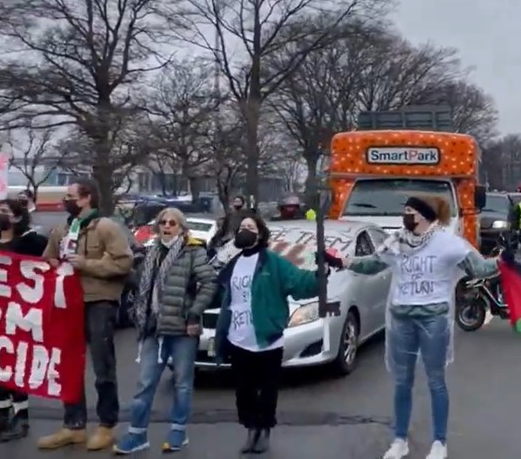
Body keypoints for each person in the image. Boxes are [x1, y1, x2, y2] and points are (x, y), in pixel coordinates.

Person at [330, 195, 499, 459]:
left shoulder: (448, 243)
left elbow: (478, 268)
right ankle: (399, 440)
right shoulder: (396, 241)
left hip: (434, 318)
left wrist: (502, 263)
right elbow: (373, 263)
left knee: (436, 381)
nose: (405, 216)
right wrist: (344, 261)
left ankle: (439, 443)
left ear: (422, 215)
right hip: (401, 318)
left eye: (408, 211)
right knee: (401, 382)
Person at [212, 211, 325, 455]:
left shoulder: (272, 262)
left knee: (267, 390)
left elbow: (299, 282)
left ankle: (264, 430)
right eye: (241, 227)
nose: (244, 230)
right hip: (237, 337)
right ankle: (251, 428)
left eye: (250, 227)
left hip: (267, 339)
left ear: (260, 233)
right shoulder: (232, 262)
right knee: (244, 390)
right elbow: (216, 289)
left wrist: (319, 275)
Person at [38, 179, 134, 451]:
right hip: (68, 303)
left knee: (103, 365)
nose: (64, 200)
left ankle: (106, 425)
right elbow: (48, 257)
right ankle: (73, 425)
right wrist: (52, 262)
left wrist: (88, 265)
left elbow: (123, 262)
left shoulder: (106, 227)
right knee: (68, 365)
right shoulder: (63, 229)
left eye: (69, 196)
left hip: (99, 301)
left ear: (86, 198)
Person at [113, 208, 218, 454]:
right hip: (153, 328)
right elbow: (142, 288)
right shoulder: (152, 253)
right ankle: (137, 434)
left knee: (182, 384)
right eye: (163, 222)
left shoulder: (193, 252)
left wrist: (194, 313)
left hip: (182, 329)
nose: (166, 226)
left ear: (181, 228)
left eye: (172, 223)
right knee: (145, 383)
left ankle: (178, 431)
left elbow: (209, 283)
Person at [0, 199, 47, 442]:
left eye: (5, 211)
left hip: (21, 309)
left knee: (16, 364)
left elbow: (44, 270)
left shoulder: (31, 241)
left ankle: (21, 416)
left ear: (17, 217)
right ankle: (1, 414)